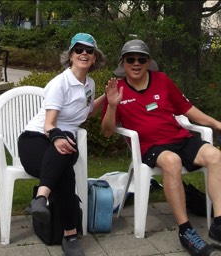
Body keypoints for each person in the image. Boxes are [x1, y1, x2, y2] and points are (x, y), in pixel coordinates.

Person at [101, 39, 221, 256]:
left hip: (180, 137)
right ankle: (186, 231)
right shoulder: (116, 89)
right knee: (172, 161)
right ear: (123, 63)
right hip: (151, 146)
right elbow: (108, 131)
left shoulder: (162, 80)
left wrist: (215, 123)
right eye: (131, 59)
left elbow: (186, 108)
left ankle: (218, 224)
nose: (136, 63)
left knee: (215, 155)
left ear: (148, 61)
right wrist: (112, 106)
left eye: (141, 59)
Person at [18, 33, 105, 256]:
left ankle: (40, 200)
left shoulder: (89, 84)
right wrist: (56, 136)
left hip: (61, 142)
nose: (84, 53)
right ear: (70, 56)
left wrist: (108, 98)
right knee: (65, 165)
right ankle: (70, 235)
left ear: (95, 58)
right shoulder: (60, 83)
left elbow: (84, 114)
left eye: (89, 50)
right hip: (35, 140)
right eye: (79, 50)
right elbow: (49, 124)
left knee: (65, 155)